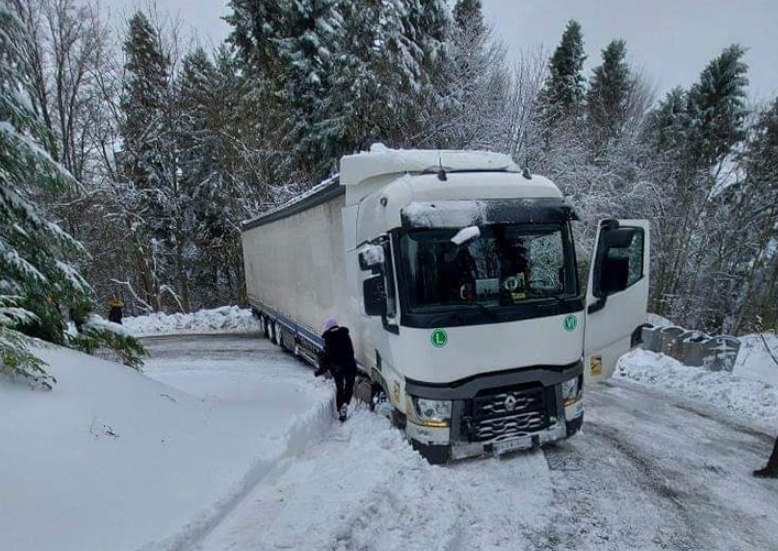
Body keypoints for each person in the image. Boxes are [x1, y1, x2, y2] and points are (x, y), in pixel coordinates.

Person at [314, 318, 358, 422]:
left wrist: (321, 370)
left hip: (338, 368)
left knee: (340, 387)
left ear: (328, 327)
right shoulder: (345, 334)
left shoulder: (329, 338)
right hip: (350, 365)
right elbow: (351, 351)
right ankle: (345, 403)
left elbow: (327, 357)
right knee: (349, 386)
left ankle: (341, 407)